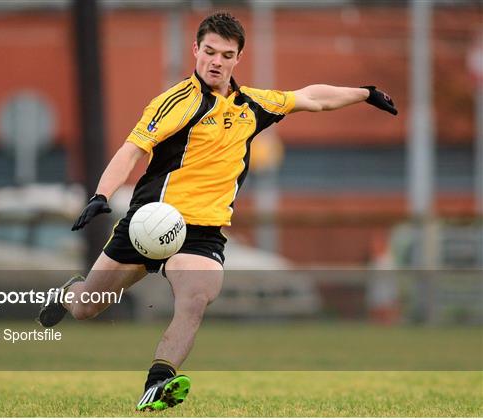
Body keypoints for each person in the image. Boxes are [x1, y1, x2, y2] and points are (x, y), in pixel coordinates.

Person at [38, 11, 397, 411]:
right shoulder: (175, 102)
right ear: (195, 50)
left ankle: (158, 382)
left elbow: (311, 98)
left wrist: (364, 93)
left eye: (226, 54)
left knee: (196, 297)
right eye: (209, 51)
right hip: (150, 221)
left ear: (238, 58)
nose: (216, 61)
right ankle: (69, 292)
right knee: (88, 306)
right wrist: (101, 195)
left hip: (204, 231)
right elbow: (132, 150)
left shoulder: (253, 105)